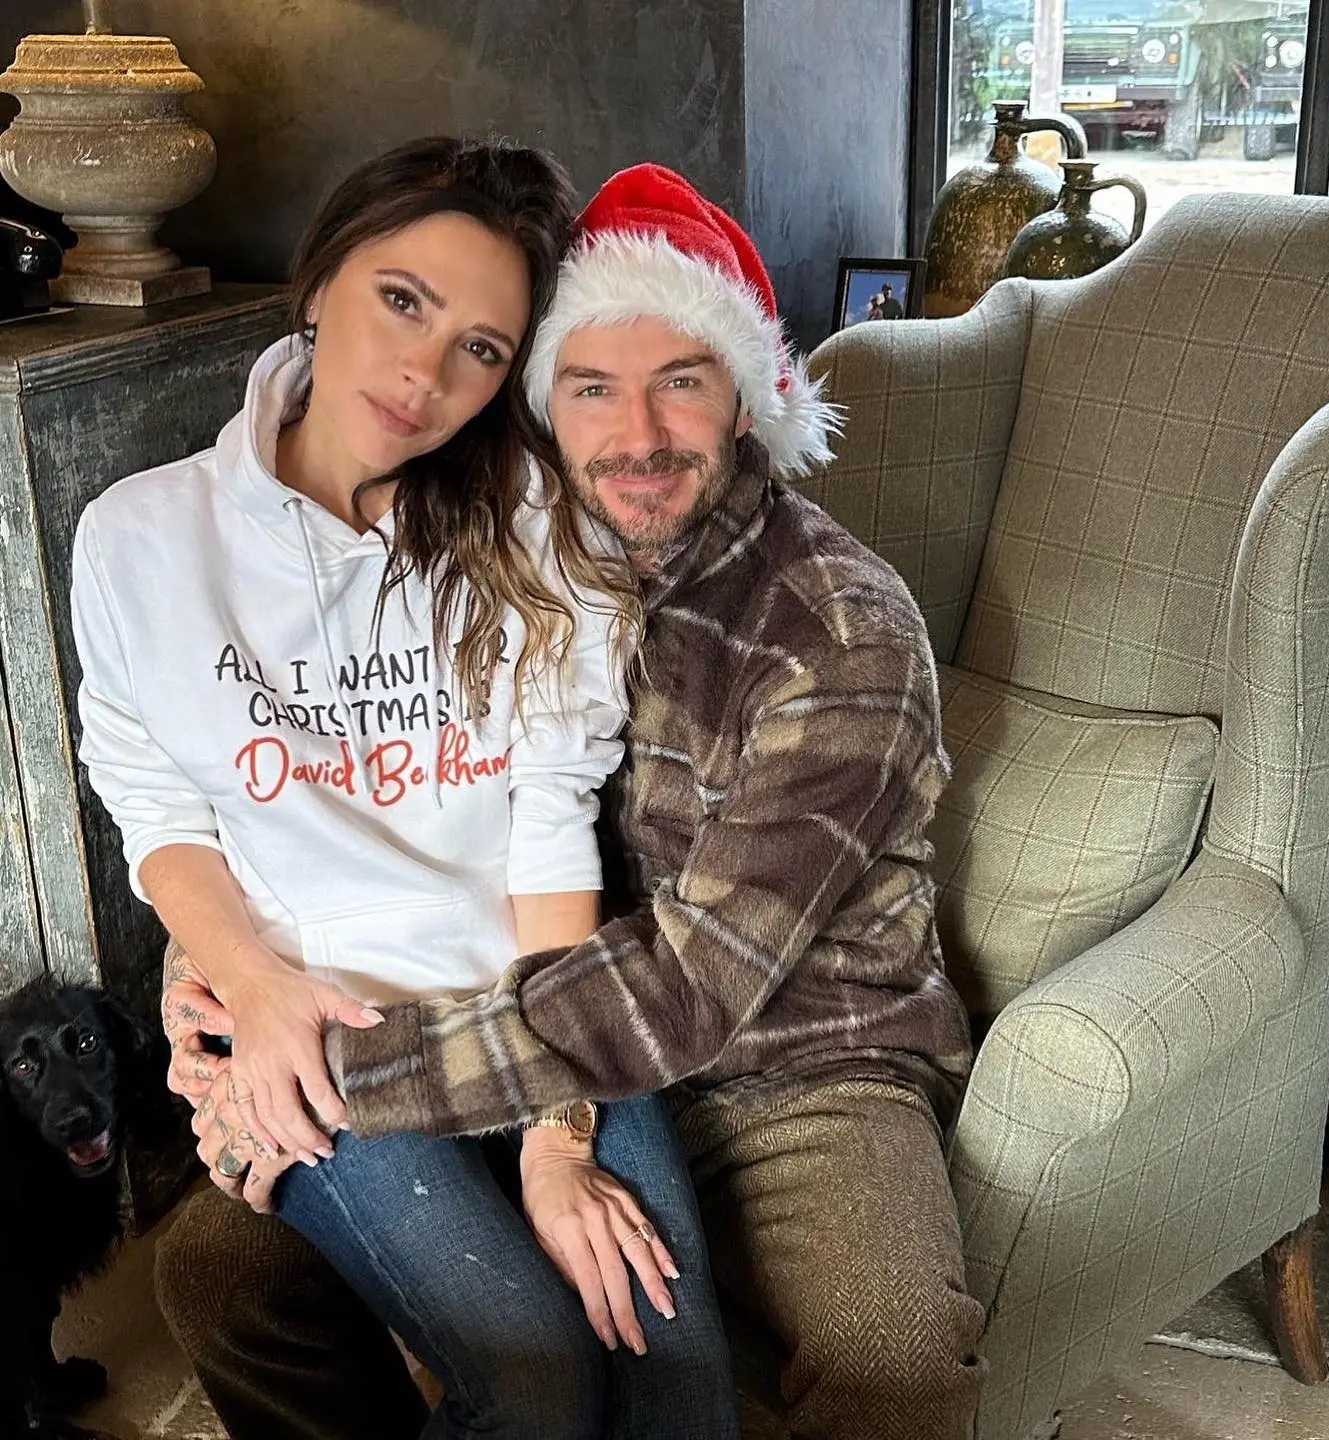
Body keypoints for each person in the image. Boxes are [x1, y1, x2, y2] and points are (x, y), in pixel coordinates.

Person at [156, 162, 987, 1440]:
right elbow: (307, 771)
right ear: (543, 403)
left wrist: (317, 1078)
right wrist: (225, 975)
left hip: (790, 1061)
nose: (638, 434)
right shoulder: (472, 548)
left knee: (896, 1351)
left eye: (684, 382)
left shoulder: (842, 635)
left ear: (753, 401)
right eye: (592, 386)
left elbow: (682, 988)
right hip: (499, 991)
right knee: (217, 1274)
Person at [70, 139, 738, 1440]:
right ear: (321, 280)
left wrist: (558, 1137)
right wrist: (253, 993)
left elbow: (552, 823)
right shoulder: (140, 536)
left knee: (675, 1373)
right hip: (333, 1038)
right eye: (404, 300)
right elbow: (156, 806)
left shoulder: (538, 524)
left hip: (535, 1002)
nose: (428, 373)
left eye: (483, 348)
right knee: (537, 1379)